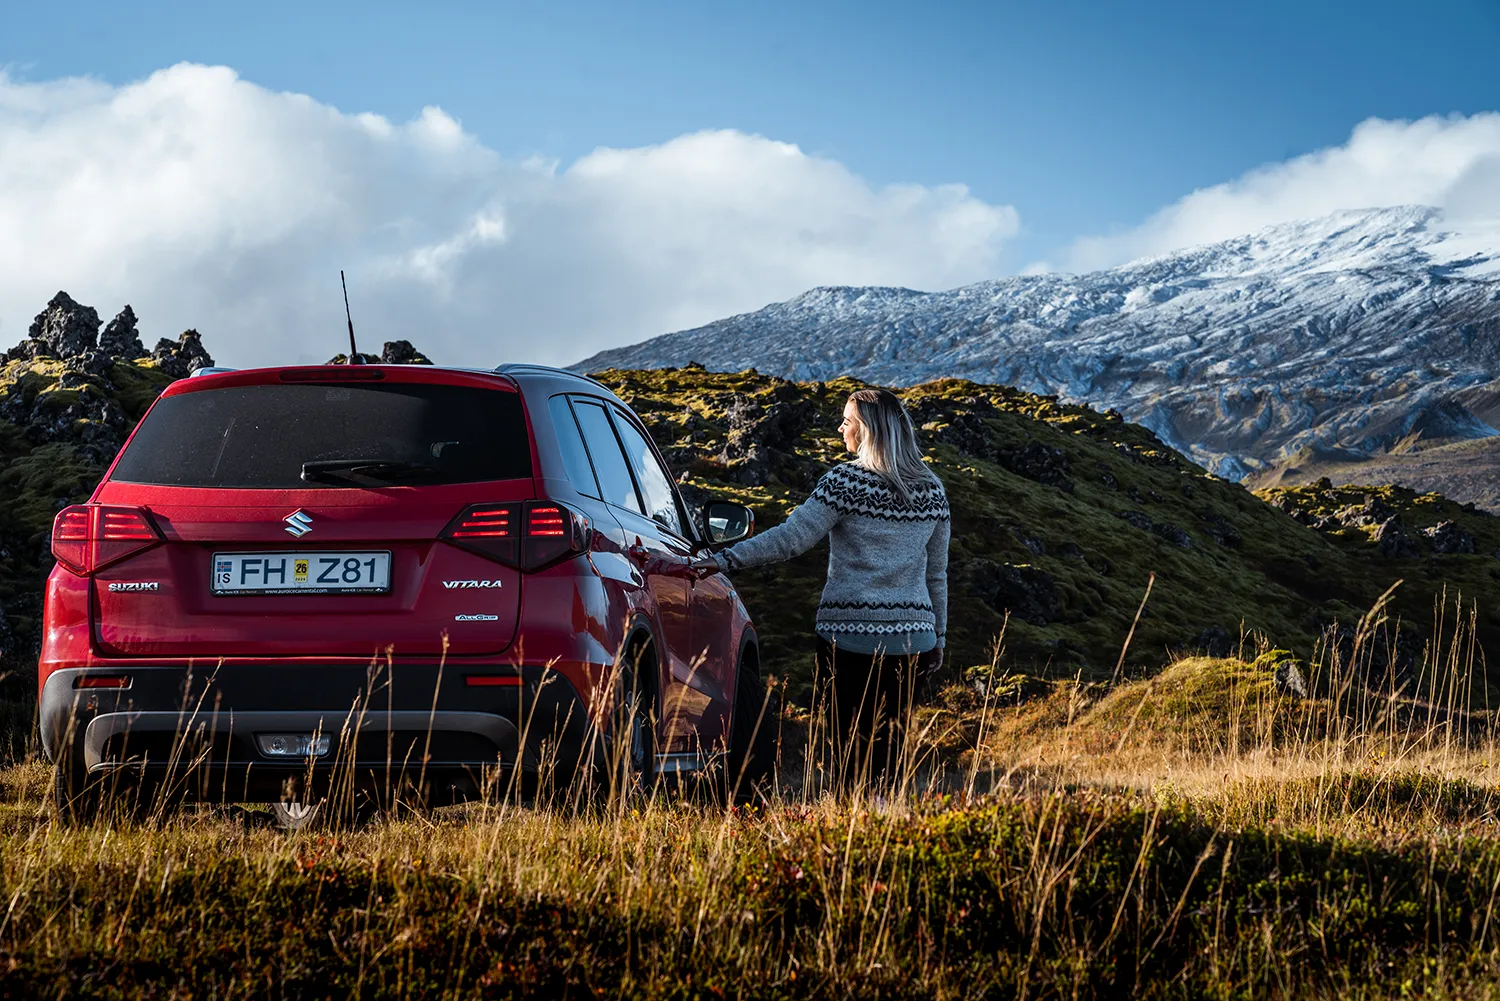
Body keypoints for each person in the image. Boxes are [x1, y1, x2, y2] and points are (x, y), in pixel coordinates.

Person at [692, 388, 950, 786]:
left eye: (847, 422)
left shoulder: (845, 482)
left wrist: (725, 559)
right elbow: (937, 574)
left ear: (867, 431)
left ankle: (854, 832)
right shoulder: (932, 490)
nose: (840, 429)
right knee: (889, 750)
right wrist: (939, 636)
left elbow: (792, 538)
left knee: (848, 749)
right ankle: (886, 828)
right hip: (911, 640)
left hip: (847, 637)